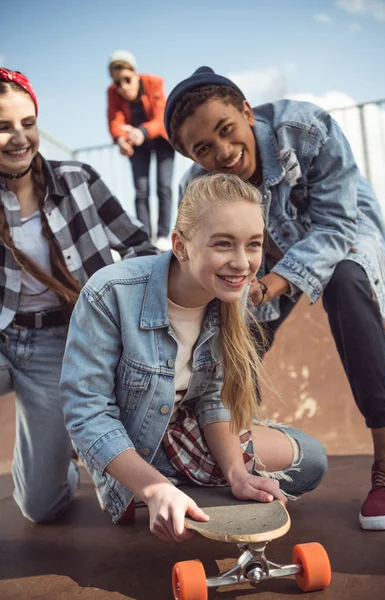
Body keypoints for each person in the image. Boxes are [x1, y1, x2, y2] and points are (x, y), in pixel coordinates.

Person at [163, 66, 385, 531]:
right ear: (190, 156)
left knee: (348, 283)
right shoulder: (197, 189)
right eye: (203, 149)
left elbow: (335, 226)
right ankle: (244, 464)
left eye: (227, 130)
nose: (224, 153)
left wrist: (273, 284)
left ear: (247, 112)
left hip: (341, 227)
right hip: (259, 253)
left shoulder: (305, 128)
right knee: (235, 329)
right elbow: (197, 262)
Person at [60, 172, 327, 541]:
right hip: (129, 442)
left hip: (183, 434)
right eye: (222, 244)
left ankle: (184, 489)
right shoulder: (111, 292)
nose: (242, 263)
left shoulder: (228, 298)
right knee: (44, 503)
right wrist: (152, 487)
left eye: (253, 244)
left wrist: (237, 475)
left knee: (311, 460)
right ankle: (147, 488)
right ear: (181, 246)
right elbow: (86, 411)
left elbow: (214, 400)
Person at [0, 67, 157, 523]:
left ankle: (55, 461)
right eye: (3, 127)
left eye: (27, 124)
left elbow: (140, 248)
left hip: (55, 345)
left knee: (41, 509)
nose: (18, 138)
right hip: (4, 335)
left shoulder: (78, 179)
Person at [107, 50, 175, 251]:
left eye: (127, 80)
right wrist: (120, 139)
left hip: (161, 139)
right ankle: (145, 239)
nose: (123, 87)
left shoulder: (155, 82)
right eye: (117, 82)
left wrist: (143, 131)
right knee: (141, 190)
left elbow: (161, 116)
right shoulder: (112, 92)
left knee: (163, 186)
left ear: (135, 74)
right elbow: (114, 120)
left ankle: (163, 236)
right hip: (137, 144)